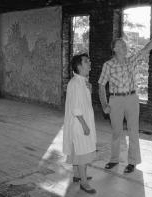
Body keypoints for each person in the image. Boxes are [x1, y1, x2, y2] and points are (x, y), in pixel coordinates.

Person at [98, 32, 152, 173]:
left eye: (125, 44)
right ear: (114, 49)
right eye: (121, 45)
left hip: (131, 98)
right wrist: (104, 105)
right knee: (116, 132)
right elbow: (101, 85)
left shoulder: (132, 60)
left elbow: (146, 49)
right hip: (115, 100)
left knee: (133, 131)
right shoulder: (108, 65)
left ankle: (132, 161)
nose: (124, 46)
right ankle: (114, 159)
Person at [63, 53, 97, 194]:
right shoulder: (75, 83)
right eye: (86, 62)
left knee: (78, 150)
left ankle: (77, 175)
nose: (89, 64)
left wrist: (90, 88)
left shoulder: (82, 81)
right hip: (79, 123)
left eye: (89, 61)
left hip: (82, 120)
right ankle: (84, 183)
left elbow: (84, 102)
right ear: (79, 66)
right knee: (83, 151)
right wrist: (84, 125)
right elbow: (76, 108)